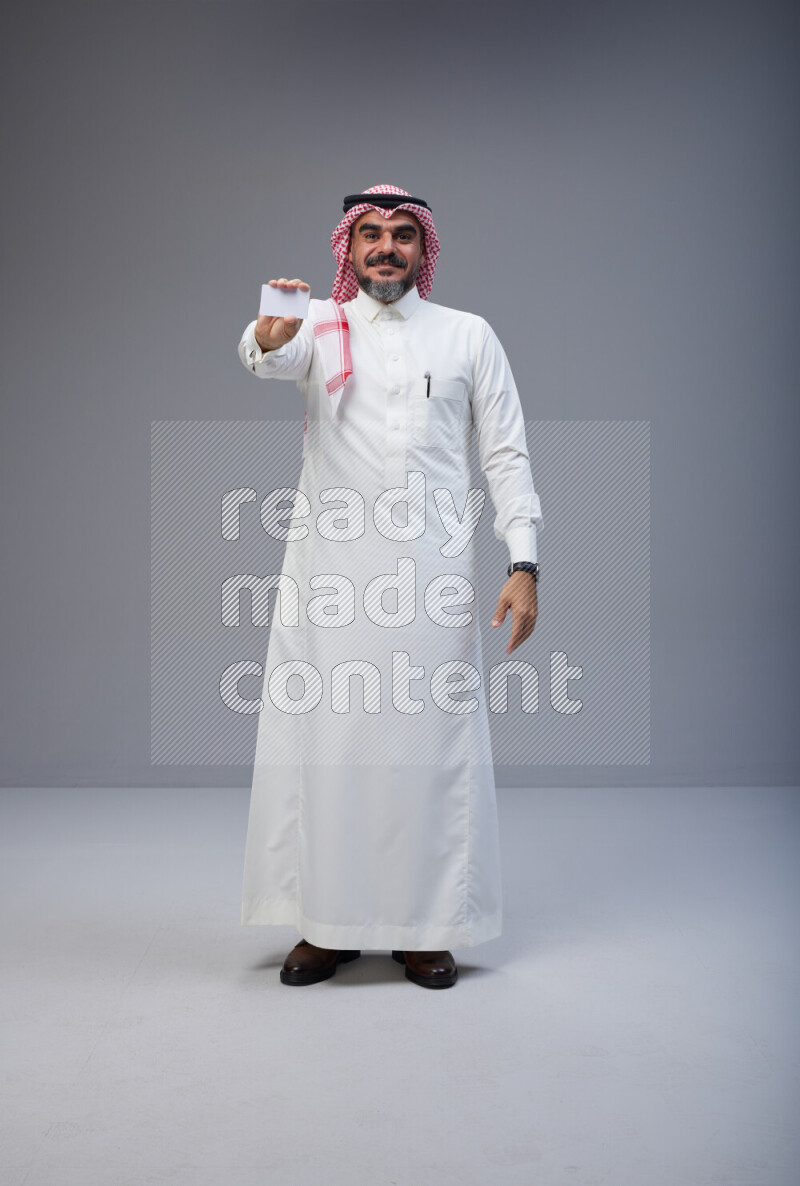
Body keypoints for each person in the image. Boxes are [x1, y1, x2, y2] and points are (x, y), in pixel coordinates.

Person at [237, 184, 543, 989]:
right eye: (370, 234)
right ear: (348, 246)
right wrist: (268, 334)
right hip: (331, 579)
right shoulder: (321, 325)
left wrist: (524, 564)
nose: (386, 248)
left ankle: (425, 927)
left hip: (434, 576)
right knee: (331, 748)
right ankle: (325, 927)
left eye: (403, 235)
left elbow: (505, 455)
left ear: (424, 248)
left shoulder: (469, 336)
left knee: (427, 751)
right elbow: (270, 354)